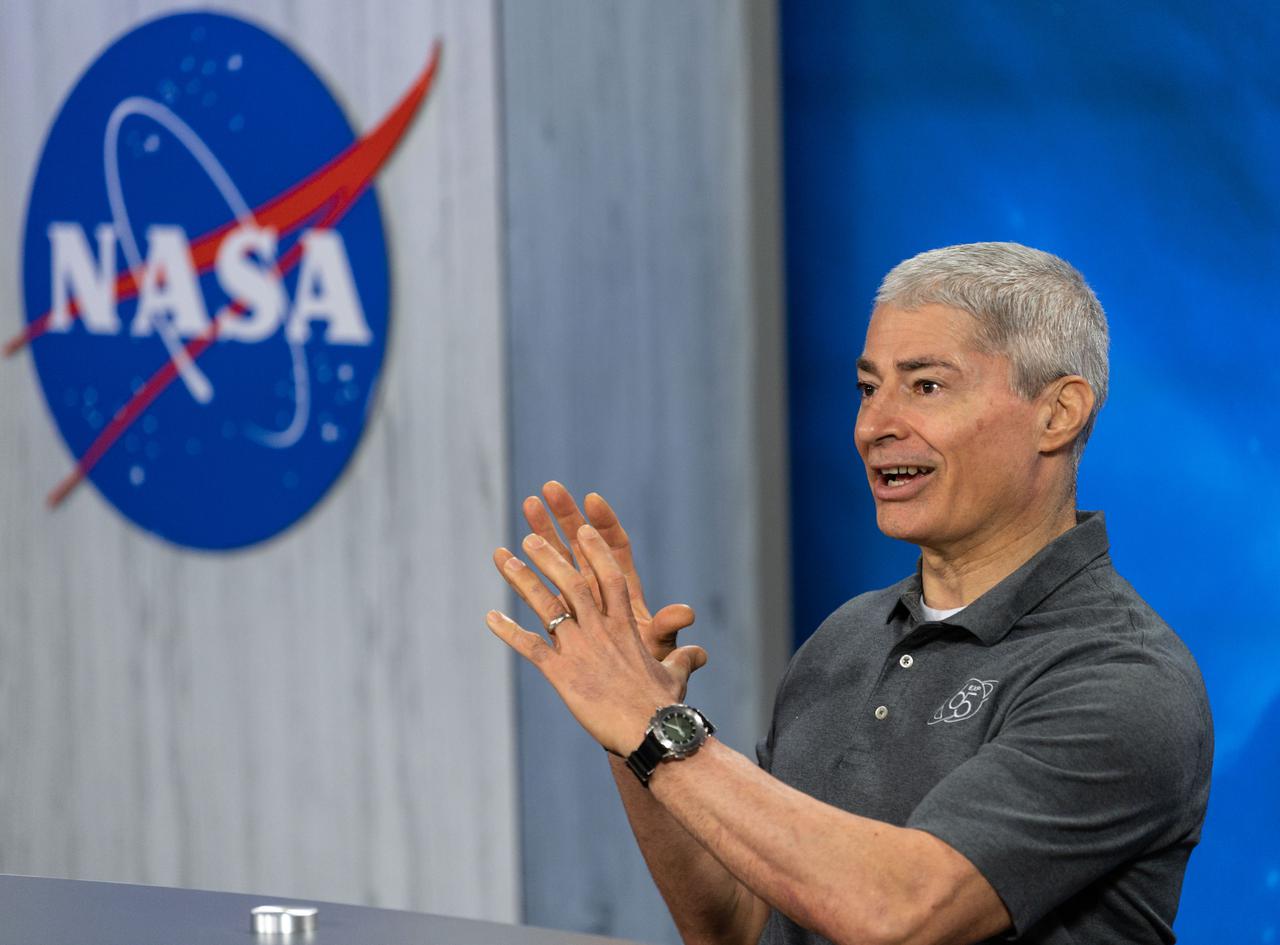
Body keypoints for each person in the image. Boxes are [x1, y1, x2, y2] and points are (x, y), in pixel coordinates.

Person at [486, 242, 1212, 945]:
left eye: (926, 385)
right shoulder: (847, 637)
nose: (873, 426)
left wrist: (657, 728)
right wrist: (633, 736)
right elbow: (733, 927)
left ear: (1058, 413)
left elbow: (898, 912)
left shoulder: (1125, 678)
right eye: (868, 388)